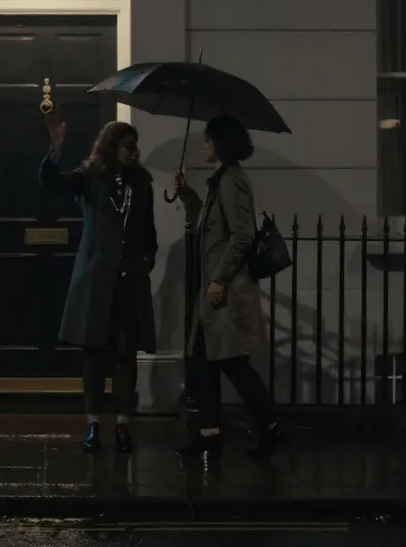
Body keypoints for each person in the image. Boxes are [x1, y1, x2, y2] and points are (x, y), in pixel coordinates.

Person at [40, 117, 158, 453]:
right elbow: (51, 182)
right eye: (127, 146)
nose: (134, 152)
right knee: (92, 353)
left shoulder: (142, 182)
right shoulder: (89, 177)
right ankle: (92, 423)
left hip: (130, 277)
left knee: (126, 352)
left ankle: (122, 424)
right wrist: (56, 149)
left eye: (135, 146)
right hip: (96, 276)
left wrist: (148, 258)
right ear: (112, 147)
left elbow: (148, 229)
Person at [172, 115, 282, 465]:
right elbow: (210, 227)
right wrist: (187, 195)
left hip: (227, 294)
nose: (203, 145)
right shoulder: (220, 180)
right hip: (215, 293)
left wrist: (219, 280)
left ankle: (270, 429)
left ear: (222, 143)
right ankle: (209, 435)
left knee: (235, 367)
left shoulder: (232, 180)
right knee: (203, 364)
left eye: (208, 139)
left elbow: (242, 235)